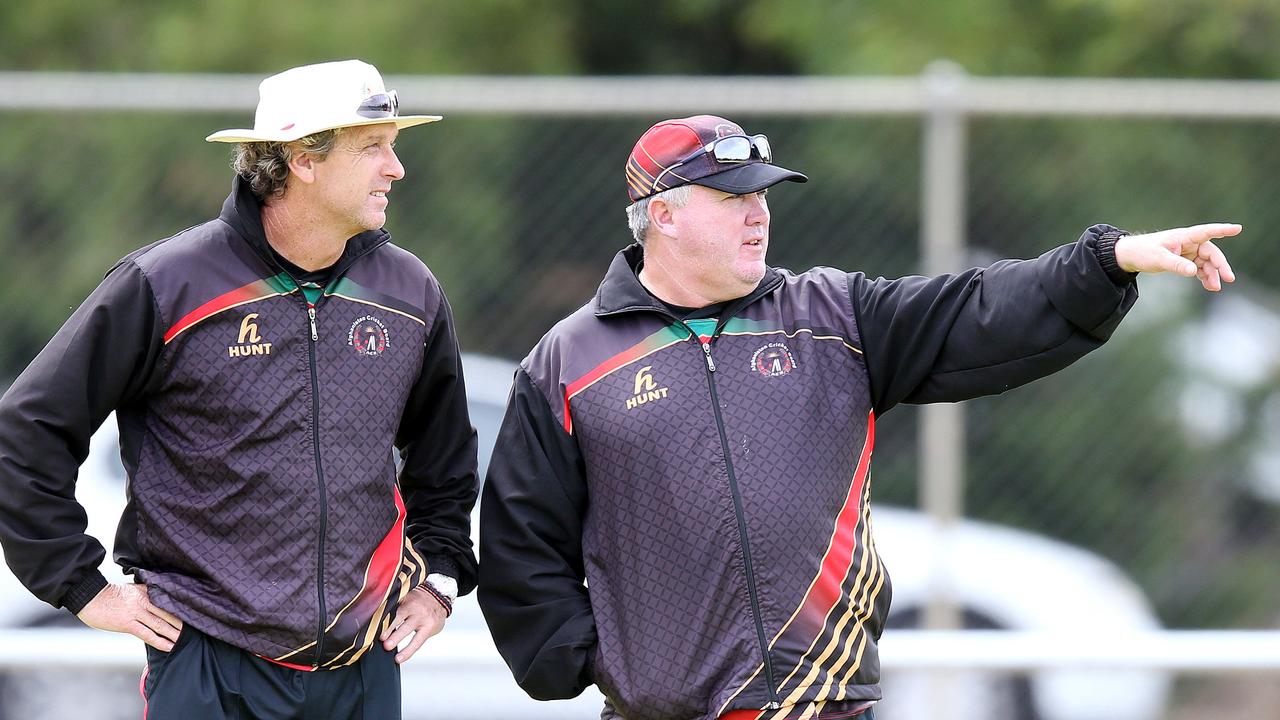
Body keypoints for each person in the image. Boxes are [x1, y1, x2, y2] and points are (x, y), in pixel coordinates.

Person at [477, 114, 1239, 720]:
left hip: (828, 706)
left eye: (763, 196)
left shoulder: (831, 316)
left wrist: (1109, 261)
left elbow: (978, 308)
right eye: (734, 199)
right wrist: (596, 663)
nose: (759, 216)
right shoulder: (567, 362)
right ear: (664, 216)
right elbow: (522, 540)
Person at [0, 60, 477, 718]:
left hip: (362, 668)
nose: (395, 168)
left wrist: (441, 578)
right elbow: (25, 432)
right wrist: (82, 587)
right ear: (304, 160)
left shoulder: (410, 292)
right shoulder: (165, 285)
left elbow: (445, 453)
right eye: (373, 148)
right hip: (207, 664)